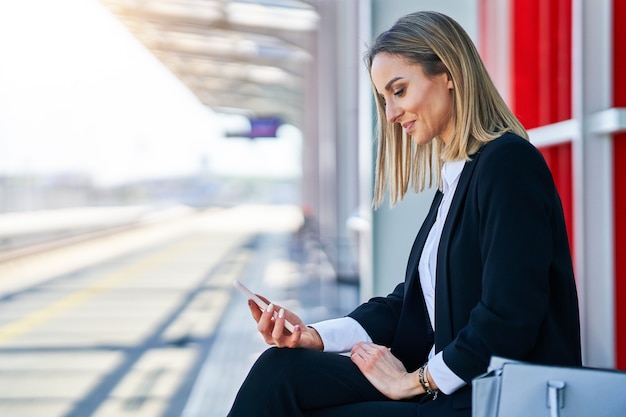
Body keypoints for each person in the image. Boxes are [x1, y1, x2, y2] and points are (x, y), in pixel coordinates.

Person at [227, 10, 581, 417]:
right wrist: (314, 336)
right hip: (448, 388)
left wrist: (413, 382)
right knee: (280, 371)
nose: (391, 115)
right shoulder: (458, 178)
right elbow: (410, 303)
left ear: (448, 73)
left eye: (399, 91)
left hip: (486, 398)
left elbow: (509, 318)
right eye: (384, 99)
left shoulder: (509, 164)